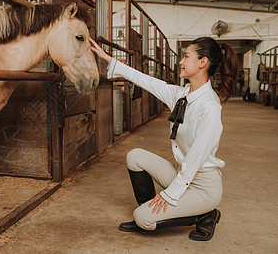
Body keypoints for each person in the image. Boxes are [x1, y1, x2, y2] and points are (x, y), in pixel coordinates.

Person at [89, 36, 239, 241]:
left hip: (203, 187)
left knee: (143, 219)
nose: (181, 61)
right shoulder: (181, 95)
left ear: (202, 62)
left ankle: (206, 214)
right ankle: (150, 208)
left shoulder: (209, 106)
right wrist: (109, 59)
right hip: (182, 175)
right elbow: (146, 80)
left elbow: (195, 158)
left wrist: (169, 195)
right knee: (135, 156)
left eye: (186, 56)